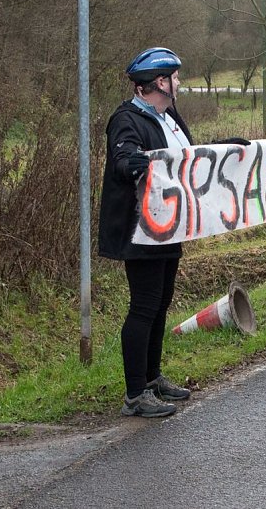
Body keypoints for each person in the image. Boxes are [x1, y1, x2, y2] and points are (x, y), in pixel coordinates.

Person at [98, 47, 249, 418]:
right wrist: (134, 161)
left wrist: (224, 148)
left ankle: (152, 379)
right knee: (143, 307)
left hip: (171, 225)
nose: (179, 82)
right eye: (175, 77)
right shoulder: (126, 119)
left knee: (161, 304)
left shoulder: (168, 117)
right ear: (159, 82)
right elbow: (123, 160)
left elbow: (187, 158)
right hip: (141, 229)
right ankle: (135, 396)